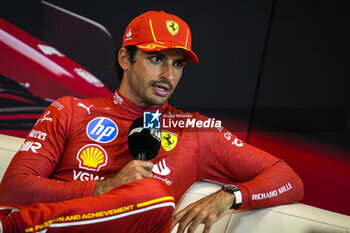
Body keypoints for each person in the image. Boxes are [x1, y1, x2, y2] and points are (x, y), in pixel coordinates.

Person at [0, 10, 303, 233]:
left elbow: (288, 178)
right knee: (154, 197)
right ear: (124, 59)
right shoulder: (70, 110)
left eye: (178, 64)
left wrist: (229, 196)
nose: (168, 77)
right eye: (157, 59)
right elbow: (13, 189)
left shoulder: (195, 131)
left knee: (154, 197)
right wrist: (105, 187)